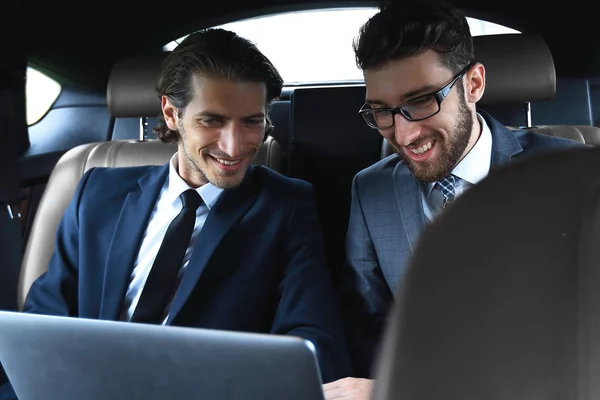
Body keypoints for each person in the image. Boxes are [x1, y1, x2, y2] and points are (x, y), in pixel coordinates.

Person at [0, 28, 352, 399]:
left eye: (251, 121)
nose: (234, 147)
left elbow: (317, 344)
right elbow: (43, 322)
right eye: (212, 120)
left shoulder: (285, 206)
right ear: (171, 113)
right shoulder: (97, 192)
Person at [324, 0, 583, 398]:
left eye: (422, 101)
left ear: (474, 84)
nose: (404, 136)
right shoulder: (369, 190)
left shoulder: (572, 173)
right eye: (382, 112)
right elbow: (366, 324)